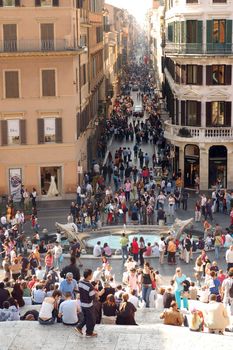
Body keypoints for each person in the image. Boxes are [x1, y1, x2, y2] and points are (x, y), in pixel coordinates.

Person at [75, 269, 97, 337]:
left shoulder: (80, 282)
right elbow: (92, 297)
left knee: (86, 318)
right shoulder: (90, 286)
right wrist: (96, 294)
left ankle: (79, 327)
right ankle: (89, 333)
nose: (92, 276)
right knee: (92, 320)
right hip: (88, 305)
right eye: (92, 274)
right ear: (89, 276)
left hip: (82, 304)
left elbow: (80, 291)